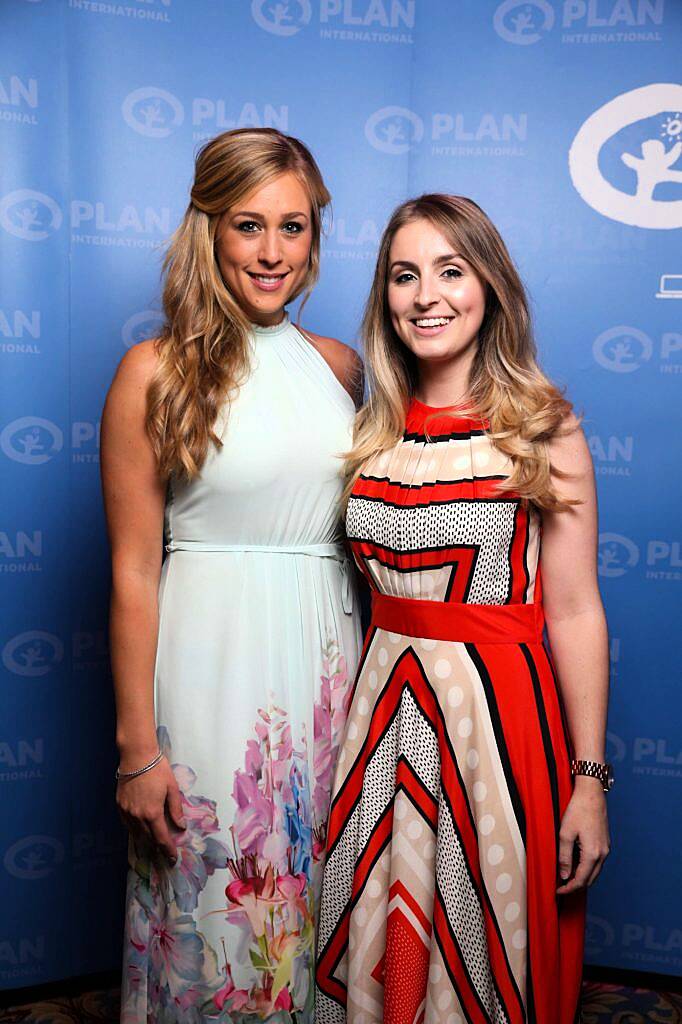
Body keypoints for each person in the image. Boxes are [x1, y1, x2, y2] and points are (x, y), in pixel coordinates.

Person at [316, 194, 611, 1024]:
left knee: (480, 932)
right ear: (386, 296)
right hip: (379, 716)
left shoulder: (541, 426)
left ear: (490, 286)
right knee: (382, 933)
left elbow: (578, 611)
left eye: (451, 270)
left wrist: (589, 782)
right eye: (405, 276)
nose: (427, 295)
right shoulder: (368, 429)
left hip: (496, 723)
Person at [100, 128, 363, 1023]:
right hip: (212, 672)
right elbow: (134, 571)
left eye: (294, 227)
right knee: (217, 906)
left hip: (329, 662)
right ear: (208, 229)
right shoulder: (154, 373)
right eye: (249, 225)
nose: (273, 251)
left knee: (324, 897)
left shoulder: (340, 367)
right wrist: (139, 752)